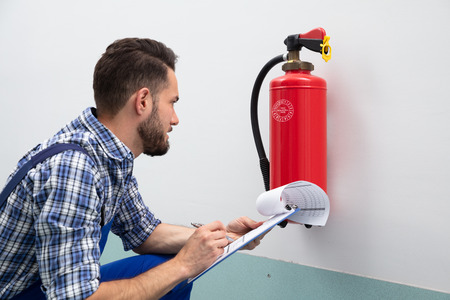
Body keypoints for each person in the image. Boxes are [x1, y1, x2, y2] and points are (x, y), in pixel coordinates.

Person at [0, 38, 264, 299]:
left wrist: (226, 237)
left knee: (164, 270)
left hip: (47, 290)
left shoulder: (109, 156)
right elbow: (74, 298)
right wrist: (183, 264)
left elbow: (144, 232)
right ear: (143, 101)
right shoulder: (74, 168)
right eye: (172, 102)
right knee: (171, 271)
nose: (175, 119)